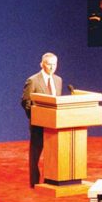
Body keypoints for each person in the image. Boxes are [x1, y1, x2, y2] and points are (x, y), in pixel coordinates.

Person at [21, 52, 62, 187]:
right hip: (38, 125)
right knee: (35, 156)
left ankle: (50, 180)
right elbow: (26, 102)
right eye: (49, 64)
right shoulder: (33, 80)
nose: (52, 67)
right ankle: (34, 182)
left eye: (54, 64)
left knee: (53, 155)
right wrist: (35, 118)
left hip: (54, 125)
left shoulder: (58, 80)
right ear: (42, 64)